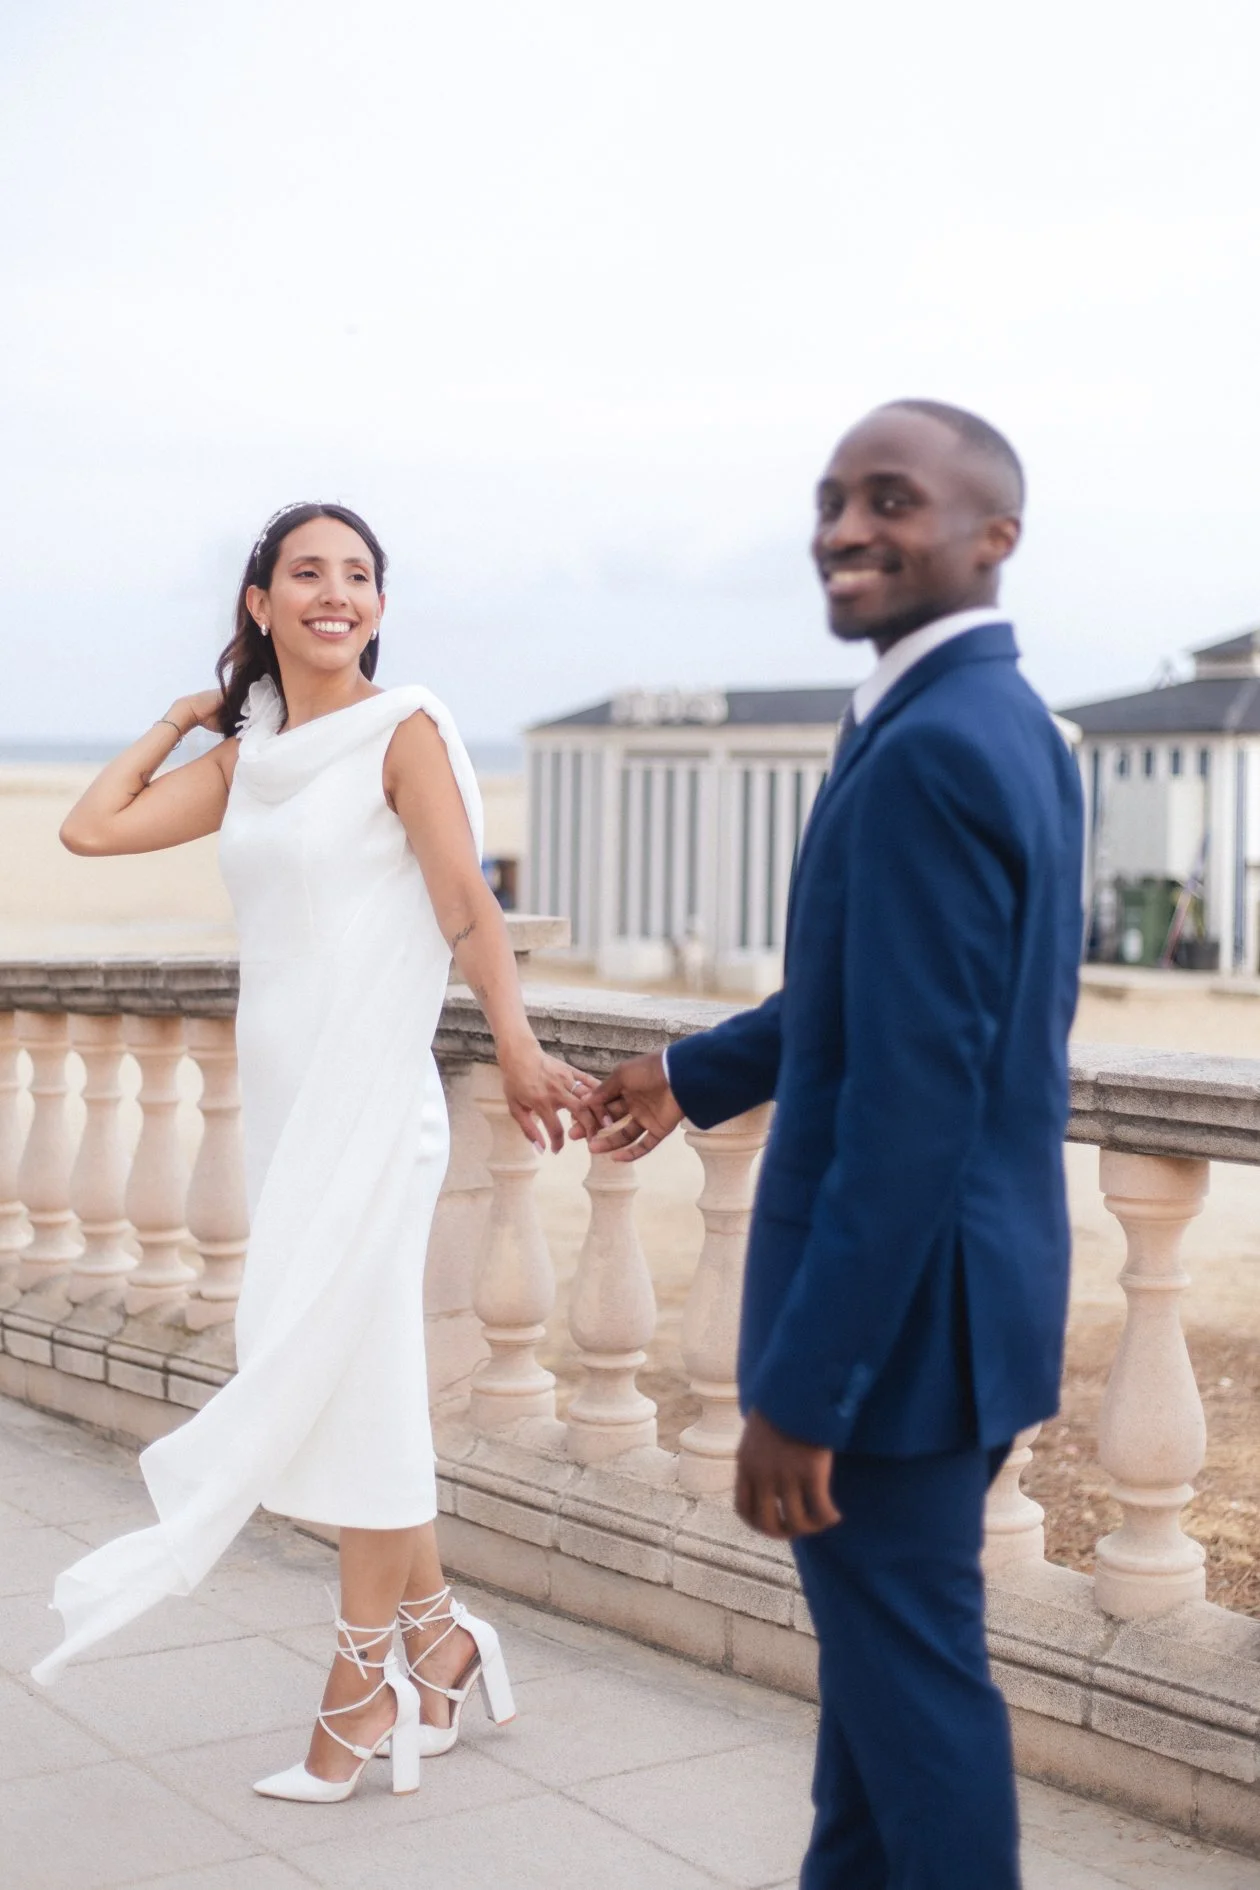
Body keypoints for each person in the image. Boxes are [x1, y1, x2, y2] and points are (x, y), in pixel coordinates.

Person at [571, 402, 1084, 1889]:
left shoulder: (933, 745)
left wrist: (807, 1390)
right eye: (831, 497)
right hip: (966, 1306)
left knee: (917, 1707)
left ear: (994, 536)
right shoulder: (994, 719)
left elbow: (913, 1105)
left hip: (902, 1340)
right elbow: (879, 994)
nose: (845, 527)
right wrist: (691, 1066)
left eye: (891, 501)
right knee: (872, 1724)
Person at [33, 501, 590, 1804]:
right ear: (260, 602)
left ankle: (361, 1685)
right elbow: (91, 830)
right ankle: (441, 1635)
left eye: (358, 576)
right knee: (354, 1380)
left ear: (380, 608)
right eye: (306, 573)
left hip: (373, 1108)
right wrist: (186, 720)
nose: (334, 592)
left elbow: (466, 901)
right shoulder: (254, 756)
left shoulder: (405, 731)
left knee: (368, 1384)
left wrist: (513, 1044)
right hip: (289, 1110)